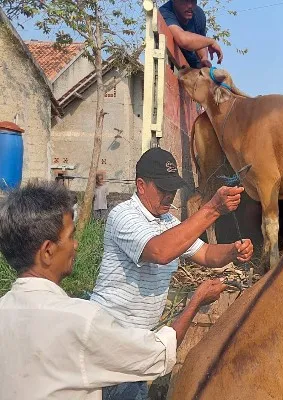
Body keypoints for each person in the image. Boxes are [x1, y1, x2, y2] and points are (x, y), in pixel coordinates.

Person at [0, 182, 225, 399]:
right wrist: (196, 302)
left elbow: (203, 251)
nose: (75, 245)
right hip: (122, 347)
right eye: (70, 237)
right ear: (47, 251)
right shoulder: (79, 321)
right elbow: (157, 354)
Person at [90, 148, 253, 400]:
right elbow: (160, 251)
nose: (170, 196)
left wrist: (233, 251)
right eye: (163, 189)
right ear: (140, 185)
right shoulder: (123, 215)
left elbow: (206, 253)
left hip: (138, 344)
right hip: (108, 343)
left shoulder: (168, 221)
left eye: (173, 188)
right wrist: (212, 209)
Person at [159, 0, 223, 69]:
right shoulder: (165, 12)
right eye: (185, 1)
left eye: (193, 1)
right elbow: (183, 39)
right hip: (172, 66)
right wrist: (211, 42)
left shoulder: (199, 14)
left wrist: (204, 58)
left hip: (192, 66)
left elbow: (201, 41)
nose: (190, 6)